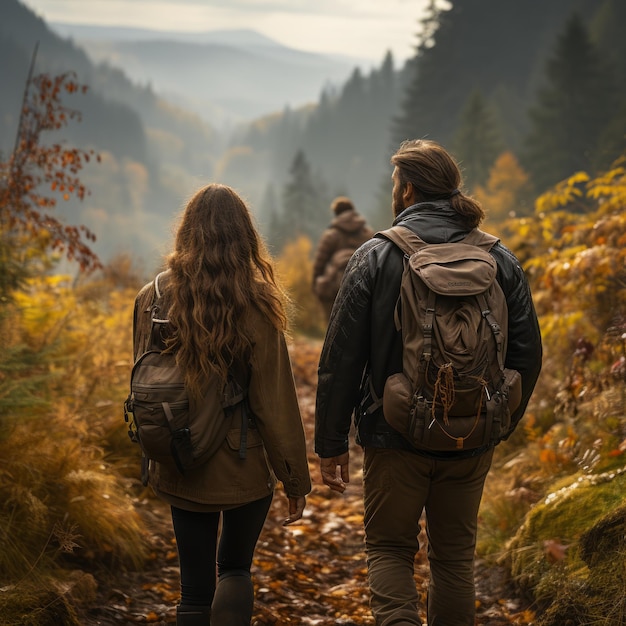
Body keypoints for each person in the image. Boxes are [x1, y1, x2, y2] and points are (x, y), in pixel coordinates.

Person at [315, 139, 542, 626]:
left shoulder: (376, 255)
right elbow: (528, 353)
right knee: (454, 559)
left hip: (392, 434)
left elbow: (341, 357)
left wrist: (331, 443)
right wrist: (496, 419)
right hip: (473, 437)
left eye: (396, 183)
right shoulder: (499, 257)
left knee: (391, 551)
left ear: (409, 189)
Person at [132, 184, 312, 626]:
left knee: (193, 585)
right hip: (241, 460)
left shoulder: (151, 297)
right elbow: (274, 402)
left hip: (179, 454)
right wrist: (294, 478)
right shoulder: (256, 303)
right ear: (245, 236)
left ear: (187, 232)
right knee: (233, 567)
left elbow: (142, 380)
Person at [312, 196, 374, 319]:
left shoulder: (331, 236)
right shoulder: (368, 233)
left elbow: (319, 263)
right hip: (364, 288)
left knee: (334, 326)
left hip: (334, 289)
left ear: (336, 213)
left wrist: (315, 285)